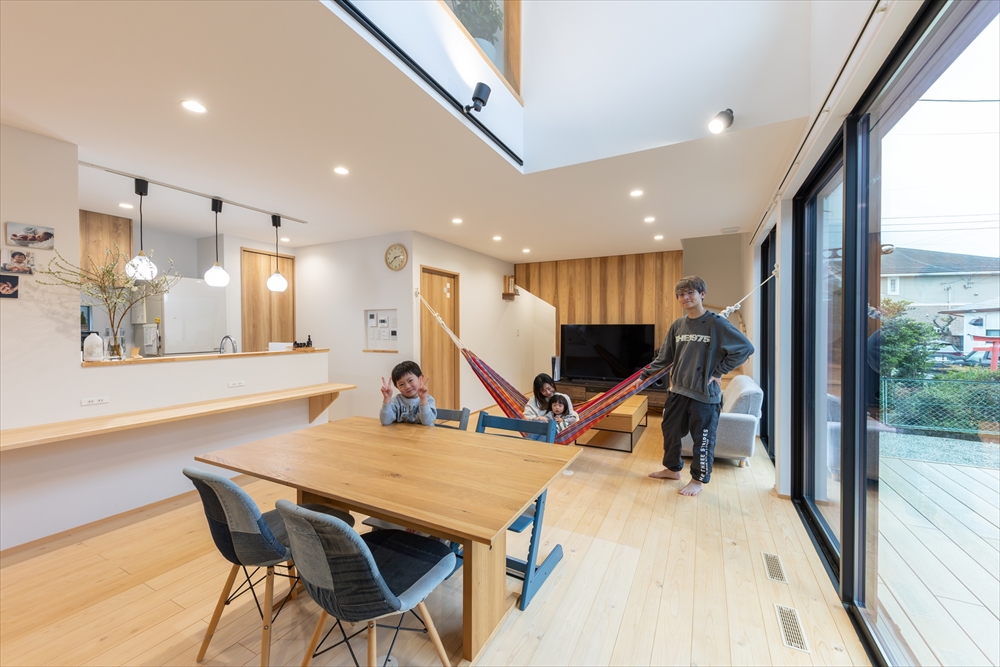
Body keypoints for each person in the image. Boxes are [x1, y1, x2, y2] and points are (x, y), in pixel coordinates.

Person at [641, 276, 753, 496]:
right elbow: (665, 357)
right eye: (681, 294)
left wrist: (719, 371)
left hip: (704, 395)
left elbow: (745, 348)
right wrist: (644, 375)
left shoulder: (716, 323)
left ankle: (697, 480)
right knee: (670, 432)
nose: (685, 297)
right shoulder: (678, 325)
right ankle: (673, 469)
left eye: (690, 292)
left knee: (703, 440)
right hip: (678, 390)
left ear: (702, 294)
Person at [379, 360, 437, 426]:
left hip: (425, 432)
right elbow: (385, 421)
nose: (407, 387)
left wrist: (423, 399)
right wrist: (387, 399)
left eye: (410, 380)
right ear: (397, 387)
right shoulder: (396, 401)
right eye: (401, 384)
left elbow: (427, 421)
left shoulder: (428, 400)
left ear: (420, 378)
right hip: (403, 432)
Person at [523, 373, 578, 439]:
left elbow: (573, 417)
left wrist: (563, 420)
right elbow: (524, 417)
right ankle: (529, 443)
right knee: (539, 423)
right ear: (539, 391)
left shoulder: (564, 398)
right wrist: (536, 418)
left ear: (552, 384)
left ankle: (529, 444)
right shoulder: (533, 401)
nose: (548, 392)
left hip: (556, 431)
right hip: (538, 428)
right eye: (543, 390)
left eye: (549, 388)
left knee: (549, 432)